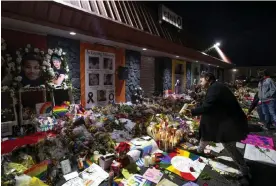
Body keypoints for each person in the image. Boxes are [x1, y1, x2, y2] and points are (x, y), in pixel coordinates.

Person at [186, 72, 250, 185]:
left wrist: (192, 111)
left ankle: (245, 171)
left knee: (229, 146)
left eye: (201, 81)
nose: (200, 83)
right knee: (208, 129)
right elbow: (211, 104)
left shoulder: (215, 88)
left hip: (231, 123)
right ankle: (200, 150)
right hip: (225, 120)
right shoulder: (216, 86)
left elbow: (208, 106)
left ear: (207, 78)